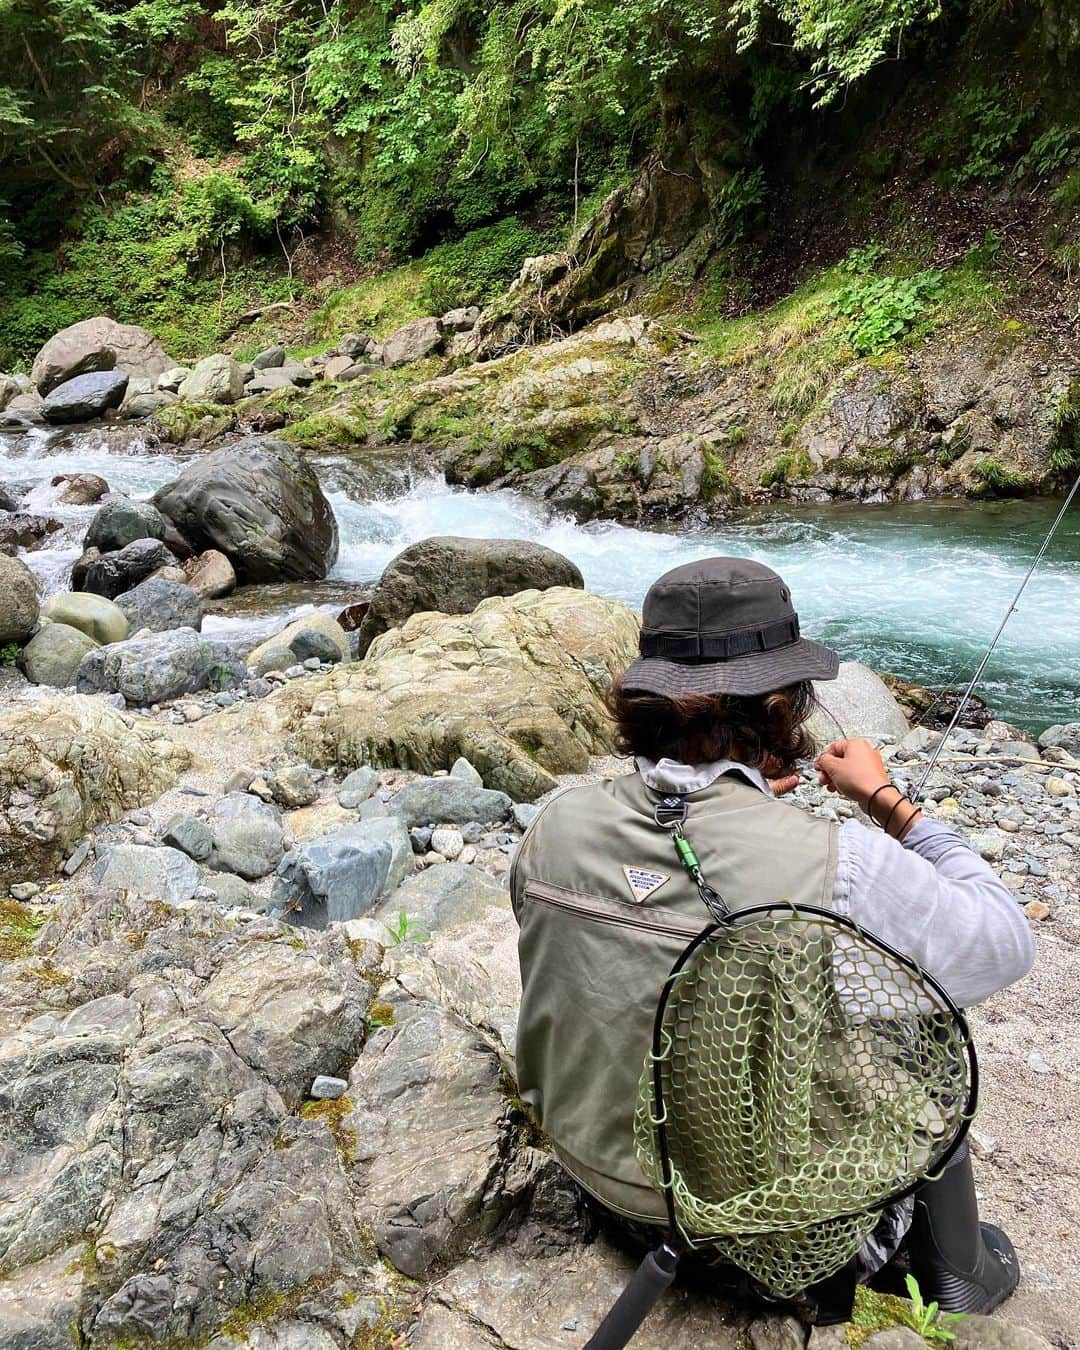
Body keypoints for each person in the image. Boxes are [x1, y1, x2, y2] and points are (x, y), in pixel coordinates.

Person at [510, 556, 1035, 1319]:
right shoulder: (837, 864)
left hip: (595, 1185)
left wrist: (742, 802)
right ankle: (960, 1274)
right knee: (920, 1013)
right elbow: (1005, 942)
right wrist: (887, 802)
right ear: (782, 704)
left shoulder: (554, 824)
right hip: (763, 1249)